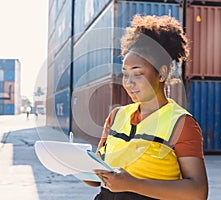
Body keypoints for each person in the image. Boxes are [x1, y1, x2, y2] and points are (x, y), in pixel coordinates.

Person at [85, 15, 208, 200]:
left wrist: (133, 184)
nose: (129, 83)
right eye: (125, 75)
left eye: (138, 74)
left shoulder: (181, 124)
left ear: (162, 74)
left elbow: (198, 191)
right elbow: (95, 179)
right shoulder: (116, 116)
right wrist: (76, 164)